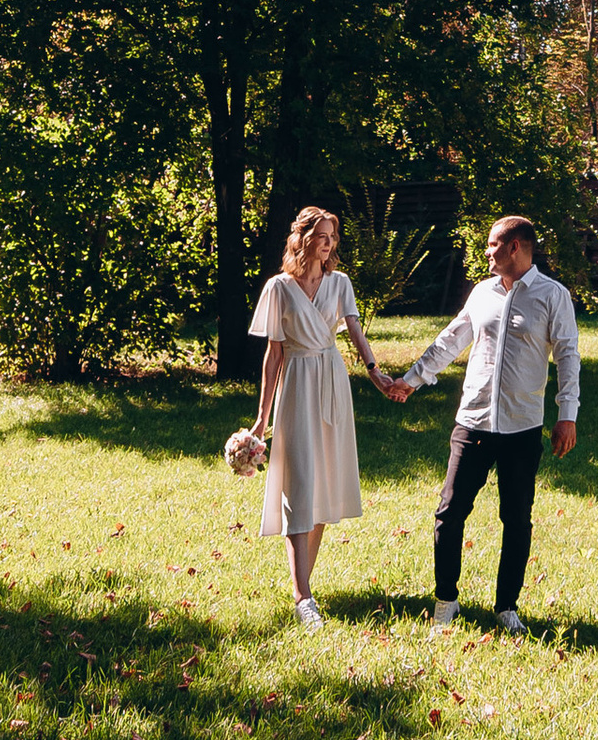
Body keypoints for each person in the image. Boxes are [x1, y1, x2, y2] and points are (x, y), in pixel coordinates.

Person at [381, 214, 579, 636]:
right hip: (472, 423)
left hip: (522, 427)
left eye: (492, 245)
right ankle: (446, 601)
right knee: (448, 513)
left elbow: (568, 357)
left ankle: (506, 606)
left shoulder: (552, 296)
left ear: (515, 247)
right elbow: (451, 340)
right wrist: (411, 381)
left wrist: (567, 415)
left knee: (517, 518)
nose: (486, 252)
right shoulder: (482, 293)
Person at [248, 205, 390, 632]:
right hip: (296, 382)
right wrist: (261, 420)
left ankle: (305, 583)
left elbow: (354, 328)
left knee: (324, 487)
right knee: (301, 484)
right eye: (321, 235)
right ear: (303, 237)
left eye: (332, 237)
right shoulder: (279, 288)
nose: (328, 244)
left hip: (331, 382)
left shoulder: (340, 283)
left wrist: (374, 371)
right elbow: (273, 355)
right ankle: (302, 596)